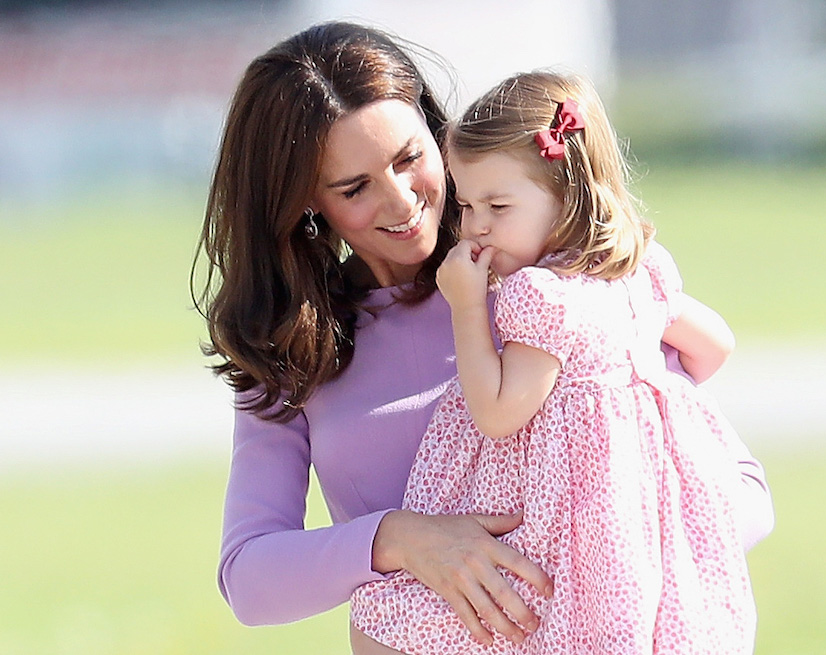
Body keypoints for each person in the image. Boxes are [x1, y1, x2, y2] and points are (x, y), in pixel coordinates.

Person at [192, 22, 773, 648]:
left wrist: (581, 561)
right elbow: (249, 579)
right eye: (354, 187)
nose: (401, 202)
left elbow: (743, 493)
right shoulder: (294, 349)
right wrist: (402, 539)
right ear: (305, 201)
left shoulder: (555, 286)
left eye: (410, 159)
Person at [349, 72, 764, 654]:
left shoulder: (540, 296)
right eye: (467, 205)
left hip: (564, 507)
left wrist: (467, 306)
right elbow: (715, 346)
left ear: (568, 196)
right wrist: (642, 394)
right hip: (630, 513)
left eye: (498, 206)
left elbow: (497, 413)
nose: (476, 226)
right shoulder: (638, 270)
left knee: (401, 622)